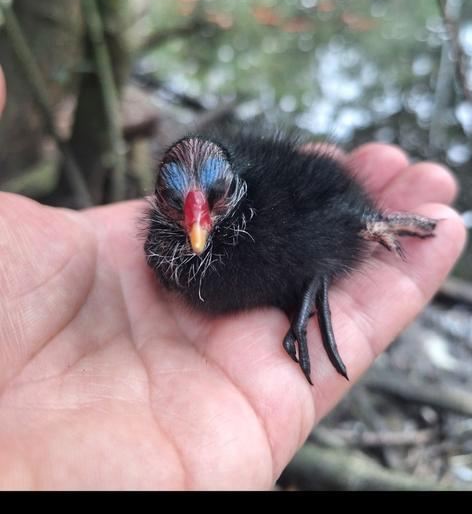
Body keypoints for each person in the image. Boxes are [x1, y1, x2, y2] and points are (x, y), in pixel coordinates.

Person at [0, 67, 466, 490]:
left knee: (311, 231)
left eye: (212, 199)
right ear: (163, 200)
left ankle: (326, 259)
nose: (196, 222)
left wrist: (363, 226)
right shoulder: (165, 249)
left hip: (306, 218)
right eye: (177, 204)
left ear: (232, 186)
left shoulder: (281, 214)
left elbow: (326, 200)